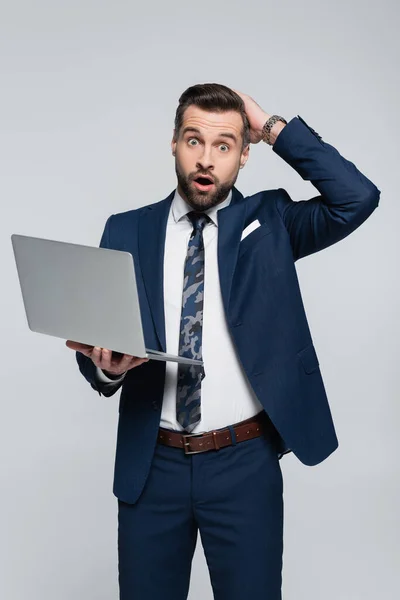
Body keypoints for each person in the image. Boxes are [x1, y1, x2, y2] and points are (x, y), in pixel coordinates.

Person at [66, 83, 380, 599]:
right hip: (153, 466)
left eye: (224, 145)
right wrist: (108, 368)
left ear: (244, 154)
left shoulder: (272, 223)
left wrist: (274, 128)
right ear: (173, 143)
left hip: (244, 464)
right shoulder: (125, 231)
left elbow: (357, 197)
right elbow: (99, 352)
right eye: (194, 141)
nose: (206, 159)